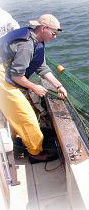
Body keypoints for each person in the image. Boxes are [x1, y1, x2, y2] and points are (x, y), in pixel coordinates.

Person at [0, 14, 67, 161]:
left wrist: (58, 85)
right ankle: (35, 154)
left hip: (8, 74)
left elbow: (41, 67)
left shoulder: (36, 40)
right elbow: (17, 76)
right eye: (53, 33)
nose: (55, 37)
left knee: (25, 113)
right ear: (43, 28)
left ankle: (20, 140)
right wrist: (34, 87)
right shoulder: (26, 45)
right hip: (3, 78)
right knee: (28, 118)